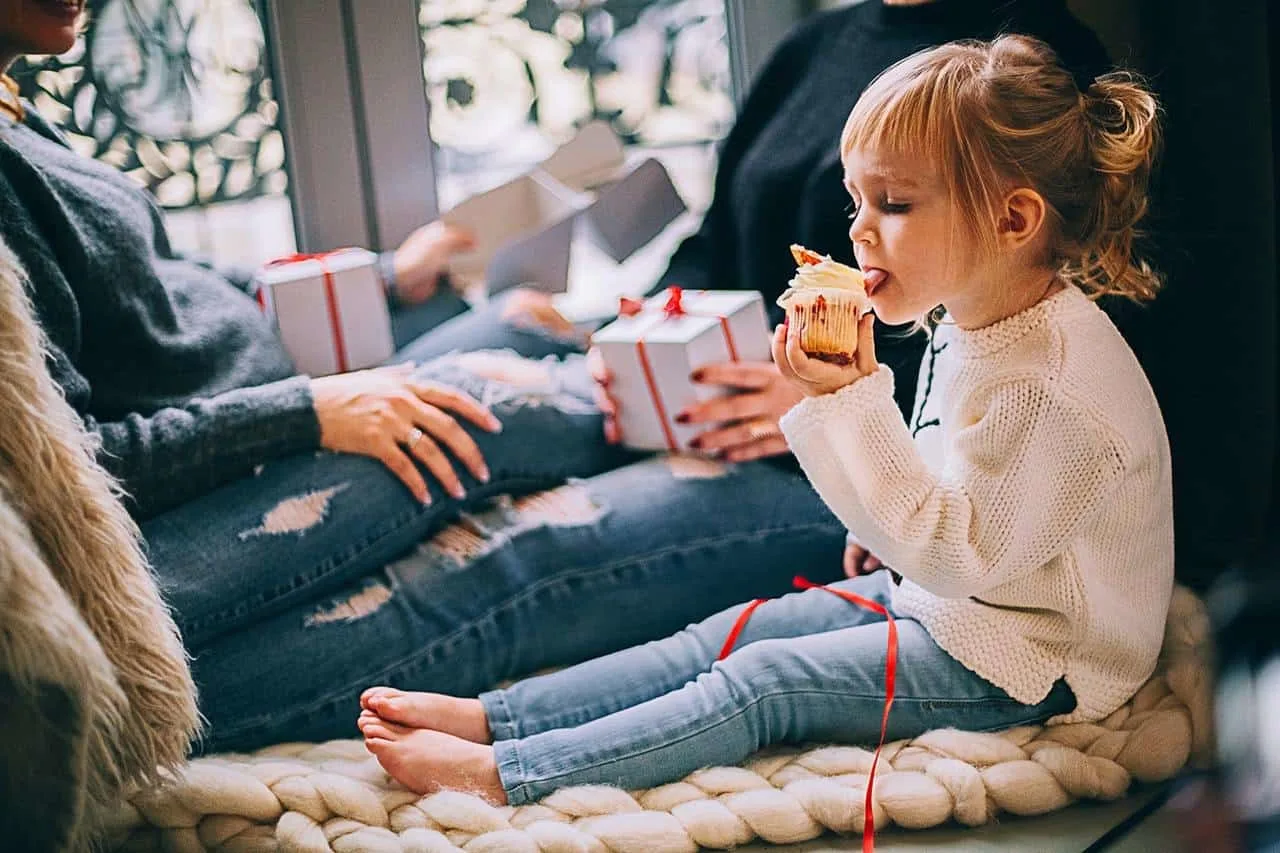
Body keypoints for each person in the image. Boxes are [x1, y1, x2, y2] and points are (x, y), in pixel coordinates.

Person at [0, 0, 1115, 754]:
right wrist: (636, 325)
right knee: (487, 387)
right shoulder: (815, 47)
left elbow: (1032, 331)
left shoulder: (1034, 68)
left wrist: (828, 395)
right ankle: (103, 667)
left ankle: (122, 702)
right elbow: (715, 253)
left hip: (843, 458)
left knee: (519, 532)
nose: (869, 227)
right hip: (719, 389)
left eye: (894, 206)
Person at [353, 34, 1176, 807]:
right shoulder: (974, 314)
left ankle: (513, 772)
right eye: (857, 199)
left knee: (766, 683)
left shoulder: (1052, 385)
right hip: (966, 598)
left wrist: (846, 397)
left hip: (1033, 655)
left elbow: (961, 555)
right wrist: (887, 527)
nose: (857, 230)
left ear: (1013, 220)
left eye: (893, 202)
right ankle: (502, 716)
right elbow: (949, 477)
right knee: (725, 634)